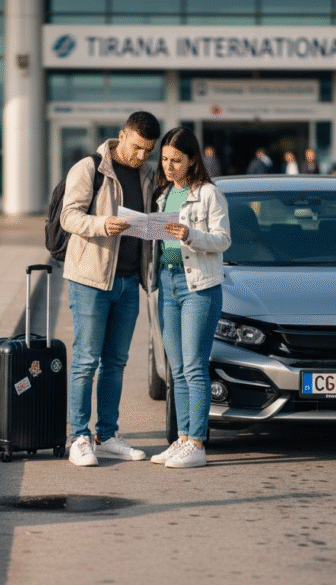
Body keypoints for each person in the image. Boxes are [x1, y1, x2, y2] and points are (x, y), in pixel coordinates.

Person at [59, 110, 161, 466]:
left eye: (148, 150)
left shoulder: (147, 173)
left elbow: (148, 224)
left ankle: (106, 434)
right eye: (136, 148)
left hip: (129, 281)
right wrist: (104, 224)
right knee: (86, 359)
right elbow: (68, 216)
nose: (140, 157)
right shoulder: (90, 167)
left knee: (116, 362)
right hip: (91, 279)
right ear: (122, 135)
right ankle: (78, 437)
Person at [147, 127, 231, 468]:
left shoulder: (209, 193)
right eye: (165, 159)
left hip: (198, 285)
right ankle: (182, 439)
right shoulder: (163, 195)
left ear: (192, 159)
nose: (169, 166)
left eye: (176, 160)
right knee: (177, 368)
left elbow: (223, 239)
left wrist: (191, 235)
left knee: (195, 367)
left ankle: (197, 442)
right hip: (166, 283)